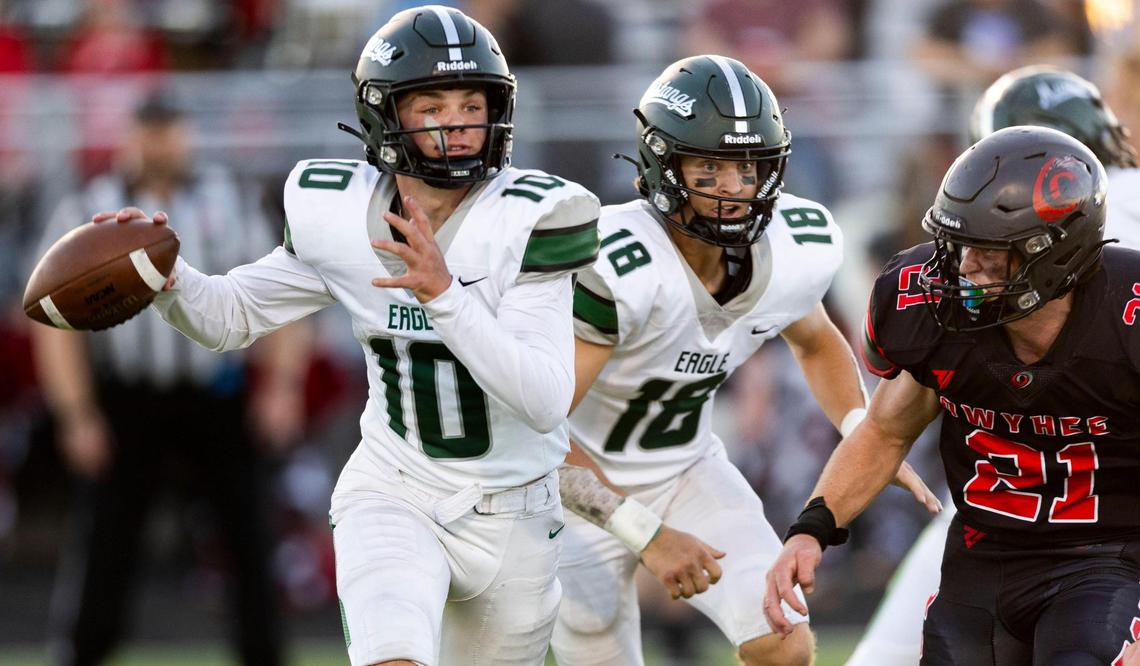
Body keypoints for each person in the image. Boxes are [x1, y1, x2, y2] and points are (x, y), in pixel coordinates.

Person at [96, 6, 600, 666]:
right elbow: (231, 316)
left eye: (471, 105)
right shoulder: (338, 210)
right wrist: (169, 280)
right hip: (395, 489)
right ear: (385, 116)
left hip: (515, 509)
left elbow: (543, 399)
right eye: (433, 106)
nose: (456, 123)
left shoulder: (534, 216)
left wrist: (445, 297)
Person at [546, 55, 939, 666]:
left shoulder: (790, 247)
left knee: (784, 642)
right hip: (576, 490)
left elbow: (815, 339)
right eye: (709, 166)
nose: (732, 186)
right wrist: (646, 533)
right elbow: (541, 429)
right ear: (663, 162)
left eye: (747, 166)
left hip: (689, 470)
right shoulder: (619, 264)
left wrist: (861, 431)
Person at [765, 124, 1140, 664]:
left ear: (1055, 254)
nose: (964, 267)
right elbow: (885, 431)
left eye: (990, 251)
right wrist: (811, 530)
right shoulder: (931, 309)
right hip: (985, 559)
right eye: (960, 244)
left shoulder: (1127, 315)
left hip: (1109, 559)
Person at [31, 93, 298, 665]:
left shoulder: (232, 199)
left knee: (249, 539)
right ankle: (81, 651)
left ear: (187, 134)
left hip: (216, 394)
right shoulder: (88, 206)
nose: (158, 144)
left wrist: (282, 386)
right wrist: (76, 414)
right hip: (128, 399)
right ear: (129, 137)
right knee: (106, 543)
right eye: (148, 131)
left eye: (168, 130)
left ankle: (264, 654)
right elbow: (54, 327)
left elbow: (278, 295)